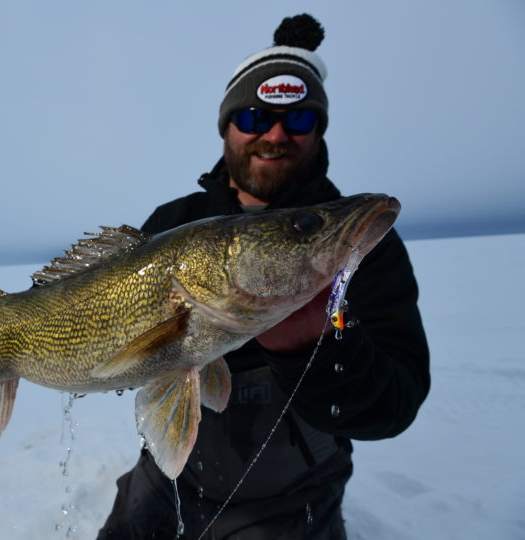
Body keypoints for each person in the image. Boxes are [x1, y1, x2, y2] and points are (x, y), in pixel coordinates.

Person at [97, 14, 430, 540]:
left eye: (298, 121)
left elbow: (395, 404)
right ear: (227, 125)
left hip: (296, 493)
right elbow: (115, 346)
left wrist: (315, 347)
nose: (274, 135)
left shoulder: (360, 247)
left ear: (318, 131)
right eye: (253, 117)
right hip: (167, 478)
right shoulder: (171, 223)